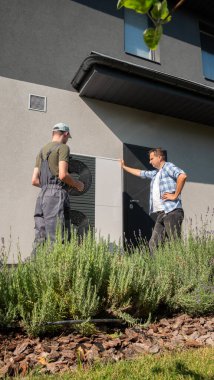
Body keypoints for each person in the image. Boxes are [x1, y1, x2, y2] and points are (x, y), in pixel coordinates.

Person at [120, 148, 187, 254]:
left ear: (159, 157)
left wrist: (175, 195)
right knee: (153, 244)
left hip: (172, 211)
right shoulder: (156, 174)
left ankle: (180, 268)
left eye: (152, 159)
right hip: (162, 214)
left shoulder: (168, 167)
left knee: (175, 244)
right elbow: (141, 173)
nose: (150, 161)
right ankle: (157, 269)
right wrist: (124, 167)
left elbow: (182, 176)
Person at [31, 122, 84, 252]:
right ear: (65, 134)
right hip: (56, 195)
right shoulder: (63, 147)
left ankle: (36, 267)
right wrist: (78, 184)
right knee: (57, 236)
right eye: (67, 136)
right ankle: (55, 269)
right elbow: (63, 175)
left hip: (42, 195)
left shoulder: (41, 151)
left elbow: (34, 180)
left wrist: (48, 187)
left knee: (40, 237)